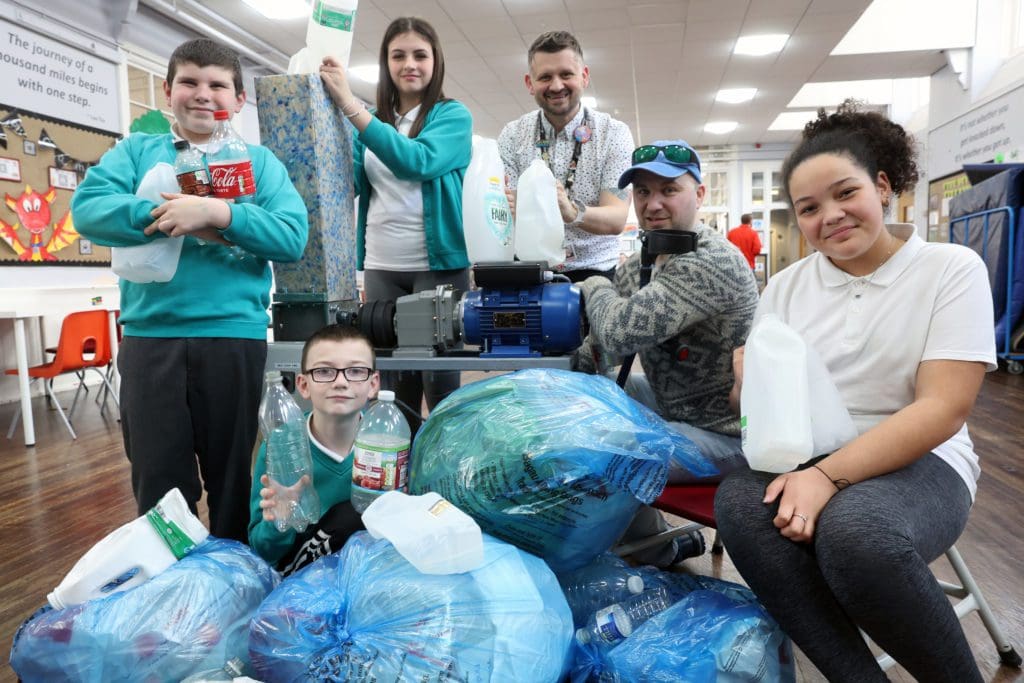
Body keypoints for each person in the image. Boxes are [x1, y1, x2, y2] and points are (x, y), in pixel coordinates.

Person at [715, 101, 995, 682]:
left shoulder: (950, 269)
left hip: (923, 460)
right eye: (810, 208)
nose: (831, 216)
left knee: (856, 533)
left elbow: (943, 408)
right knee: (740, 504)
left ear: (884, 185)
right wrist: (747, 381)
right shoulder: (787, 288)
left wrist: (823, 478)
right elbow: (757, 415)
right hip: (810, 452)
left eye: (846, 193)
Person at [73, 38, 308, 542]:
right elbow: (88, 209)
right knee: (158, 475)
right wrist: (167, 215)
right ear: (167, 91)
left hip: (233, 336)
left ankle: (230, 577)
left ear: (239, 100)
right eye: (190, 82)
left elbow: (291, 236)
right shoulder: (137, 152)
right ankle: (174, 583)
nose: (204, 94)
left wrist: (219, 214)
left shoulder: (259, 163)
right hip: (150, 338)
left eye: (218, 85)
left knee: (233, 478)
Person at [574, 140, 758, 566]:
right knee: (582, 401)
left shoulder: (711, 263)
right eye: (642, 192)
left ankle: (655, 550)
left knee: (606, 451)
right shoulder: (647, 258)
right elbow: (599, 350)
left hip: (727, 432)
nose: (653, 204)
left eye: (669, 190)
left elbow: (618, 333)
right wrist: (562, 381)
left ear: (700, 194)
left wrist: (591, 283)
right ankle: (650, 540)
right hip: (675, 405)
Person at [320, 17, 472, 417]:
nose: (410, 64)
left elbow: (416, 162)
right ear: (386, 63)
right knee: (392, 394)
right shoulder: (369, 122)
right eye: (398, 55)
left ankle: (445, 476)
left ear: (435, 61)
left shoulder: (452, 116)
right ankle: (396, 476)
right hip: (381, 265)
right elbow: (345, 185)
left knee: (440, 392)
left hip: (437, 267)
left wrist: (351, 108)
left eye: (420, 55)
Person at [498, 31, 634, 282]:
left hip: (595, 272)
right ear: (530, 83)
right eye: (545, 77)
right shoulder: (512, 135)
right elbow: (509, 211)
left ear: (584, 76)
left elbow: (616, 218)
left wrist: (571, 211)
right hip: (531, 271)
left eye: (566, 74)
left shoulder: (614, 134)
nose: (557, 85)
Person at [248, 324, 379, 575]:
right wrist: (280, 522)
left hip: (370, 576)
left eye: (355, 371)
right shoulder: (279, 448)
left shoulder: (390, 444)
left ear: (373, 384)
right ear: (303, 384)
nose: (340, 382)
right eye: (324, 371)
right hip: (302, 582)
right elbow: (262, 551)